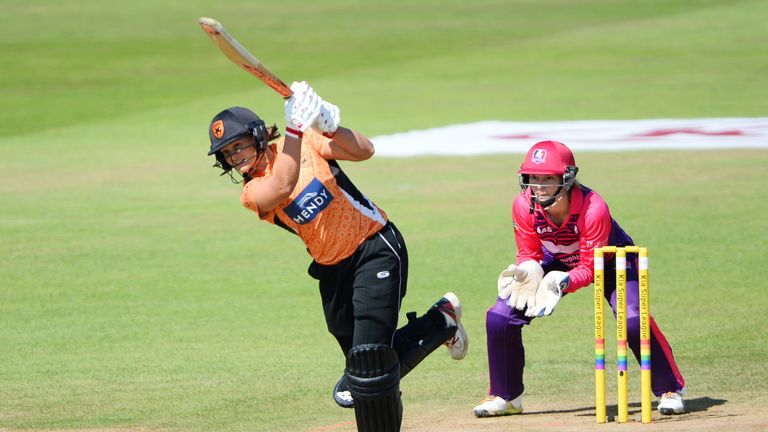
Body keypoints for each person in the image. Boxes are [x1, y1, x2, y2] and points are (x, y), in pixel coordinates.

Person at [206, 81, 467, 431]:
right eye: (227, 153)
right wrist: (296, 127)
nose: (234, 157)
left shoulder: (306, 142)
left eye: (238, 145)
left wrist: (328, 126)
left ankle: (437, 325)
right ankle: (439, 322)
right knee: (367, 369)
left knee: (369, 365)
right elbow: (283, 185)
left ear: (257, 135)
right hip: (332, 272)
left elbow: (365, 150)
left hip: (375, 248)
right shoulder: (252, 192)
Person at [472, 140, 686, 418]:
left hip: (611, 258)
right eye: (533, 178)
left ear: (567, 178)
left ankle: (670, 389)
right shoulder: (523, 205)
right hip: (555, 259)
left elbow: (589, 266)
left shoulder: (593, 208)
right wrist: (528, 271)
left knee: (633, 319)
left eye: (548, 179)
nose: (539, 186)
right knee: (500, 317)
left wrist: (563, 283)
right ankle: (506, 396)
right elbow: (528, 252)